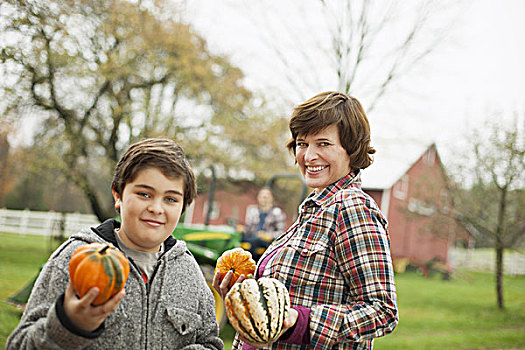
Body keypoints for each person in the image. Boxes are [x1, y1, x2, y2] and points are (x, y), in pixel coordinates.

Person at [214, 92, 398, 349]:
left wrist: (299, 322)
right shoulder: (315, 209)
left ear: (351, 148)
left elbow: (382, 311)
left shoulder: (353, 208)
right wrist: (247, 297)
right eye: (302, 143)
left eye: (323, 144)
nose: (309, 156)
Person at [7, 138, 223, 350]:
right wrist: (67, 326)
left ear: (182, 207)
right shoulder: (74, 257)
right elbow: (19, 345)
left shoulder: (190, 272)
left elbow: (210, 342)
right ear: (118, 195)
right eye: (144, 194)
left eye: (170, 199)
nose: (156, 208)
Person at [241, 187, 286, 261]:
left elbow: (281, 233)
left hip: (266, 242)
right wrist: (241, 229)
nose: (264, 198)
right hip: (252, 237)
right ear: (258, 198)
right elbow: (248, 228)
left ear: (271, 198)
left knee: (255, 242)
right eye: (262, 195)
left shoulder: (277, 212)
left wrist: (268, 235)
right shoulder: (252, 210)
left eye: (267, 196)